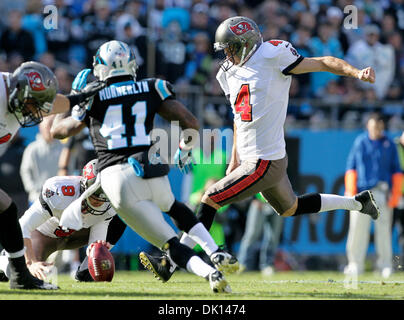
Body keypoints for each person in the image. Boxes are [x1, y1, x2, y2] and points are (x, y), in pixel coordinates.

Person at [153, 16, 381, 281]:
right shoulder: (227, 72)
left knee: (209, 198)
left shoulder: (273, 54)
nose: (227, 54)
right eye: (225, 49)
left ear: (247, 44)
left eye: (232, 47)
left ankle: (170, 263)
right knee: (290, 207)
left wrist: (355, 72)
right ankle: (358, 203)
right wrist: (235, 156)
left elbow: (322, 62)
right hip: (255, 158)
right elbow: (239, 118)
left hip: (264, 160)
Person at [50, 40, 238, 293]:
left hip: (116, 177)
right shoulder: (151, 87)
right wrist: (185, 148)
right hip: (150, 168)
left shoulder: (94, 94)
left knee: (168, 243)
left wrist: (76, 97)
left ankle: (210, 273)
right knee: (175, 209)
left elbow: (58, 132)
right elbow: (190, 121)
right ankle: (214, 255)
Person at [0, 60, 105, 290]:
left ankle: (18, 275)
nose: (34, 112)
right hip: (41, 227)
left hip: (53, 232)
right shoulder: (2, 90)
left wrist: (79, 98)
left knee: (7, 211)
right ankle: (17, 272)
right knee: (8, 212)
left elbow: (53, 104)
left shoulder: (23, 96)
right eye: (31, 104)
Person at [0, 159, 122, 282]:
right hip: (43, 236)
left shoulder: (111, 204)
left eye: (103, 195)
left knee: (119, 220)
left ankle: (86, 272)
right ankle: (4, 260)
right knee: (19, 271)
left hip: (76, 235)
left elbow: (97, 235)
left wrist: (96, 251)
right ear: (84, 186)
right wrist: (31, 262)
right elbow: (22, 226)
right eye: (94, 194)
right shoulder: (59, 192)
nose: (99, 201)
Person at [344, 114, 403, 278]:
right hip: (361, 193)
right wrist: (350, 190)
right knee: (357, 230)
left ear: (382, 126)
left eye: (378, 126)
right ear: (367, 127)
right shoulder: (360, 142)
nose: (375, 130)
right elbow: (351, 167)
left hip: (382, 192)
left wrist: (395, 194)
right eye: (372, 127)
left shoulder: (389, 144)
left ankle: (385, 264)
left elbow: (396, 171)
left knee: (383, 230)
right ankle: (354, 264)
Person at [20, 115, 63, 205]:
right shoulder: (32, 148)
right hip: (36, 198)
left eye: (52, 126)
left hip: (59, 198)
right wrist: (33, 188)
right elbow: (25, 170)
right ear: (41, 128)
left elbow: (67, 169)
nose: (50, 130)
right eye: (47, 127)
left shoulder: (62, 148)